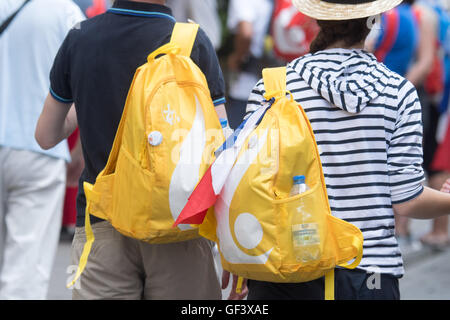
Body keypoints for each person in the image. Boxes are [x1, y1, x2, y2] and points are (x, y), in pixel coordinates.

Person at [243, 0, 450, 300]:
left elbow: (252, 188)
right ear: (375, 18)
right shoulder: (398, 92)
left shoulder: (272, 88)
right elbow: (407, 199)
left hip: (286, 269)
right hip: (371, 274)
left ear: (316, 17)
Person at [35, 0, 236, 300]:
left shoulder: (81, 37)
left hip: (102, 222)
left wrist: (85, 97)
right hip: (178, 222)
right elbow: (223, 148)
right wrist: (231, 241)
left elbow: (46, 136)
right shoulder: (192, 41)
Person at [0, 0, 84, 299]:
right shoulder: (66, 13)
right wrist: (80, 152)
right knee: (25, 269)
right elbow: (86, 88)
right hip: (38, 151)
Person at [225, 0, 273, 129]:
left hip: (245, 89)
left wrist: (237, 58)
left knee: (234, 142)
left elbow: (246, 33)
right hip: (273, 85)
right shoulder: (269, 3)